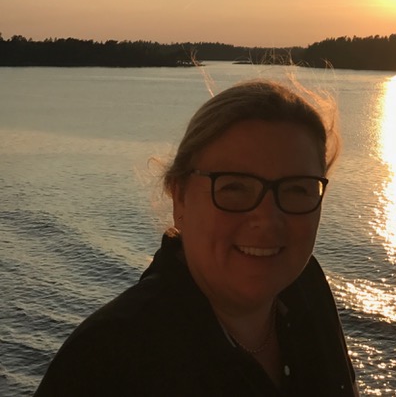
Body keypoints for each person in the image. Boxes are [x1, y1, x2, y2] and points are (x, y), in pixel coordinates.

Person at [35, 79, 358, 396]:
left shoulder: (305, 287)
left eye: (297, 189)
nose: (267, 219)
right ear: (180, 198)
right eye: (234, 187)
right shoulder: (107, 362)